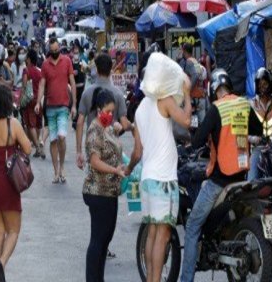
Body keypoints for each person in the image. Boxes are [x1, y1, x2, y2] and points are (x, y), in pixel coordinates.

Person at [177, 69, 263, 282]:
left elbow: (197, 140)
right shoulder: (244, 104)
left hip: (220, 180)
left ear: (214, 89)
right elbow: (258, 129)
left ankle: (186, 278)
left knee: (192, 225)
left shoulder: (216, 109)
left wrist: (191, 144)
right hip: (243, 176)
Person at [126, 62, 192, 282]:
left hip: (148, 179)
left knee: (152, 234)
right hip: (164, 179)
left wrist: (128, 170)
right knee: (162, 236)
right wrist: (187, 93)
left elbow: (137, 151)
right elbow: (186, 120)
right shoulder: (164, 100)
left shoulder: (141, 109)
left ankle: (151, 279)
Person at [0, 84, 32, 282]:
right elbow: (27, 148)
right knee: (13, 231)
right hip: (9, 180)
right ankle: (1, 263)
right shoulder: (14, 124)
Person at [83, 89, 126, 282]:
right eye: (107, 111)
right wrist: (114, 170)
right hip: (98, 191)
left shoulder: (107, 128)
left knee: (105, 239)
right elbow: (94, 161)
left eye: (112, 112)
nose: (110, 115)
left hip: (110, 192)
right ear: (98, 109)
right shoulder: (94, 130)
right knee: (98, 240)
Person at [76, 53, 131, 170]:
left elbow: (80, 122)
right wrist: (133, 128)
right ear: (111, 69)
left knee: (94, 180)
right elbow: (125, 124)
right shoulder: (118, 94)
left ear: (96, 69)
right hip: (112, 148)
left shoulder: (87, 93)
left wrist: (79, 151)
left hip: (92, 147)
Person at [35, 38, 76, 184]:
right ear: (49, 51)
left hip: (63, 106)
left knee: (62, 137)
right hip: (50, 107)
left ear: (60, 48)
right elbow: (41, 84)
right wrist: (38, 102)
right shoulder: (45, 65)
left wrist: (74, 105)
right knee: (52, 140)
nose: (55, 53)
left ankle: (62, 166)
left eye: (56, 50)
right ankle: (56, 171)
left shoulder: (67, 61)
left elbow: (72, 82)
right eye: (52, 51)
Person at [248, 67, 272, 181]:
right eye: (260, 84)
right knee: (251, 180)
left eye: (265, 83)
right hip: (259, 148)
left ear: (270, 85)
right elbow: (244, 132)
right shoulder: (251, 105)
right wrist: (255, 139)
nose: (262, 87)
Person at [23, 49, 45, 159]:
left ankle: (37, 147)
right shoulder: (39, 71)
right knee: (38, 123)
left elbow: (24, 85)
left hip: (29, 100)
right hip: (38, 100)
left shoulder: (26, 71)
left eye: (26, 57)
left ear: (29, 59)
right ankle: (38, 145)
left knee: (30, 124)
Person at [179, 43, 206, 124]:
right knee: (201, 123)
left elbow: (195, 75)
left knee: (191, 124)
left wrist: (188, 90)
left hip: (193, 99)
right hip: (200, 96)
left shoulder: (188, 62)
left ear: (185, 51)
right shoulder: (195, 61)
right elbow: (200, 75)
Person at [71, 45, 87, 129]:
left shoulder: (82, 61)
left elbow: (85, 72)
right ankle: (74, 119)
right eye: (74, 52)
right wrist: (72, 73)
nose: (76, 54)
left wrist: (81, 72)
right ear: (72, 53)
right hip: (73, 86)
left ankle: (77, 120)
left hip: (81, 85)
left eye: (77, 52)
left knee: (79, 103)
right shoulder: (70, 62)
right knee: (74, 102)